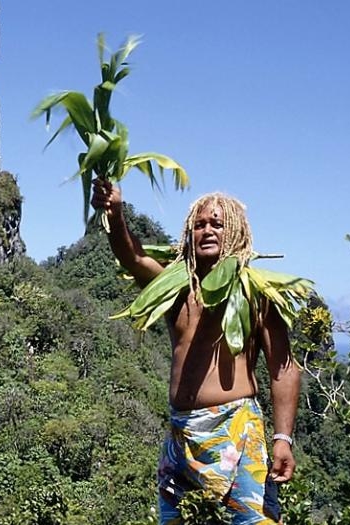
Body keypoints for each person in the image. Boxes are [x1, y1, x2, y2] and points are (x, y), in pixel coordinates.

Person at [91, 179, 300, 524]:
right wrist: (114, 213)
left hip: (236, 430)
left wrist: (282, 438)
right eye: (199, 225)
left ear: (234, 231)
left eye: (217, 224)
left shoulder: (256, 294)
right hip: (181, 433)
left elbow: (284, 368)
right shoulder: (176, 290)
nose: (207, 231)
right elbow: (134, 256)